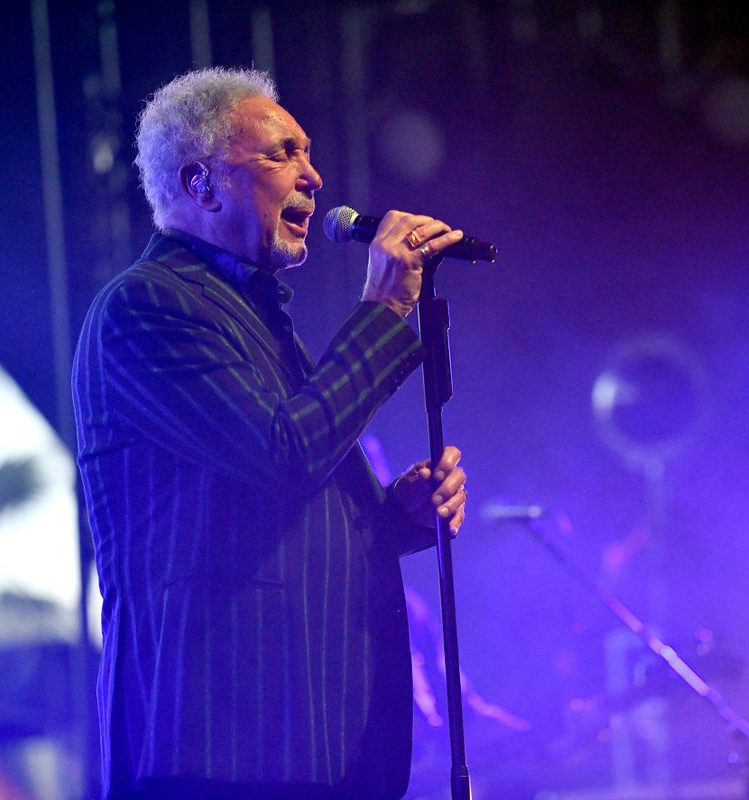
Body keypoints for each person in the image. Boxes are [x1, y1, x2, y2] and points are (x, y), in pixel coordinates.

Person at [72, 67, 468, 800]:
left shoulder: (253, 319)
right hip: (219, 749)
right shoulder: (148, 307)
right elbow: (284, 452)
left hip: (313, 744)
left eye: (309, 154)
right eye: (282, 154)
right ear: (202, 184)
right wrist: (383, 309)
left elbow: (274, 511)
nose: (314, 177)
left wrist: (392, 519)